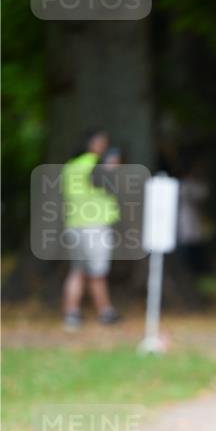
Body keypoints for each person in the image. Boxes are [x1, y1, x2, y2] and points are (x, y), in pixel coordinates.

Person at [61, 129, 122, 331]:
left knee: (77, 270)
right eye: (102, 142)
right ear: (94, 144)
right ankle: (105, 312)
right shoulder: (96, 164)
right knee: (97, 272)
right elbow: (109, 184)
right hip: (94, 225)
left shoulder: (71, 166)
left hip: (74, 224)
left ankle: (71, 314)